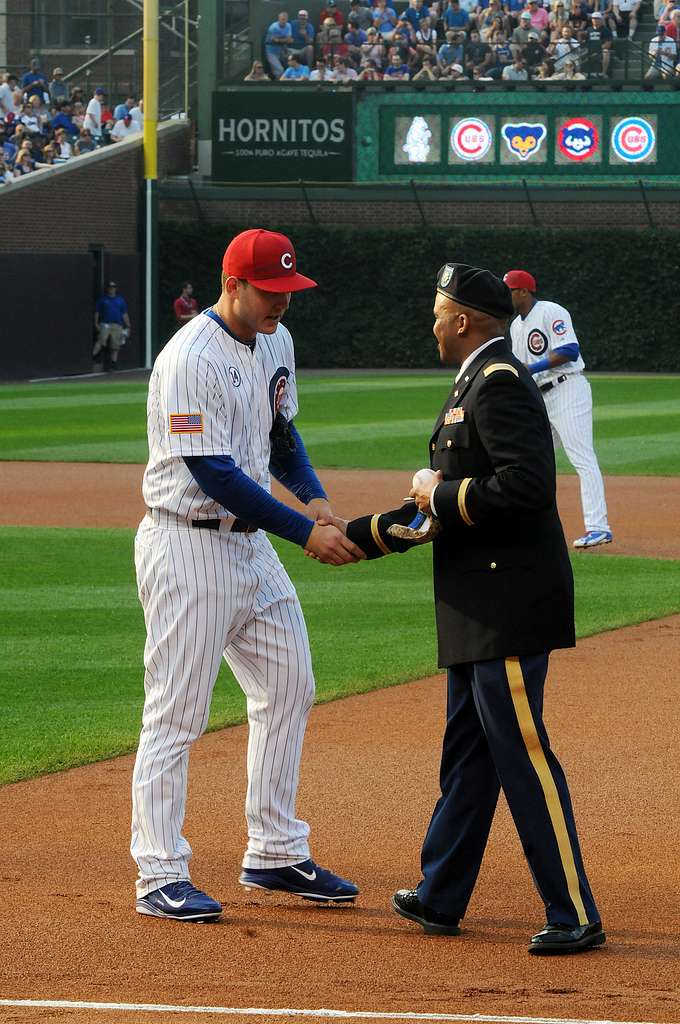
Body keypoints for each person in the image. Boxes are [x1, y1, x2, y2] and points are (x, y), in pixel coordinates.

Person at [345, 262, 605, 955]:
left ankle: (573, 911)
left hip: (508, 607)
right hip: (474, 606)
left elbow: (526, 486)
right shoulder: (476, 382)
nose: (431, 324)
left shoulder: (500, 382)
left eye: (438, 313)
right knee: (468, 756)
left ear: (463, 320)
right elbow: (450, 504)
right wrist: (359, 536)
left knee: (522, 755)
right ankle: (441, 894)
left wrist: (436, 495)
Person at [131, 228, 363, 922]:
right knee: (177, 712)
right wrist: (304, 532)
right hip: (187, 545)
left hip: (249, 548)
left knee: (289, 684)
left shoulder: (276, 341)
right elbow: (215, 473)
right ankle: (159, 871)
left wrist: (314, 495)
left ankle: (273, 851)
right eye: (271, 292)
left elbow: (278, 439)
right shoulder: (188, 358)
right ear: (232, 284)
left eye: (289, 293)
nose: (281, 305)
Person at [503, 269, 611, 548]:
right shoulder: (516, 326)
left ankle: (599, 527)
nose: (506, 295)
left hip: (567, 390)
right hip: (541, 397)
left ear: (524, 291)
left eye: (510, 290)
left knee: (581, 457)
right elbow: (520, 368)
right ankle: (530, 523)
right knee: (533, 459)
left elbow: (570, 349)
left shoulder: (551, 311)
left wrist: (532, 368)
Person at [93, 280, 131, 371]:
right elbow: (97, 312)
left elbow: (124, 313)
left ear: (115, 289)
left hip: (117, 324)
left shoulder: (120, 300)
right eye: (110, 288)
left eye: (113, 288)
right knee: (101, 340)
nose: (112, 289)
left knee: (115, 344)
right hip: (105, 323)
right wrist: (96, 323)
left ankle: (113, 364)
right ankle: (93, 357)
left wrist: (128, 325)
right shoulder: (103, 300)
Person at [265, 11, 293, 77]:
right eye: (282, 19)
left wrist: (280, 40)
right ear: (279, 19)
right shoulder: (273, 27)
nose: (283, 21)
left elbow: (289, 39)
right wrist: (285, 40)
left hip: (283, 51)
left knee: (293, 63)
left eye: (285, 19)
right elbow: (274, 40)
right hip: (271, 52)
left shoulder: (288, 25)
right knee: (280, 70)